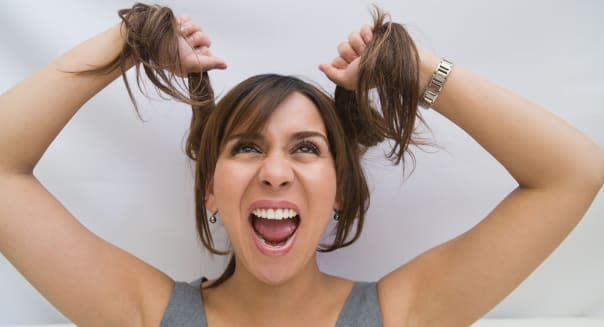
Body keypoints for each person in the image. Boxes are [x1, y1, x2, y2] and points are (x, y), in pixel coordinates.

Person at [0, 3, 602, 327]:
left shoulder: (403, 315)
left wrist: (415, 71)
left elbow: (575, 171)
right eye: (246, 147)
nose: (275, 172)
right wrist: (129, 41)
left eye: (306, 148)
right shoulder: (145, 315)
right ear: (211, 190)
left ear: (338, 189)